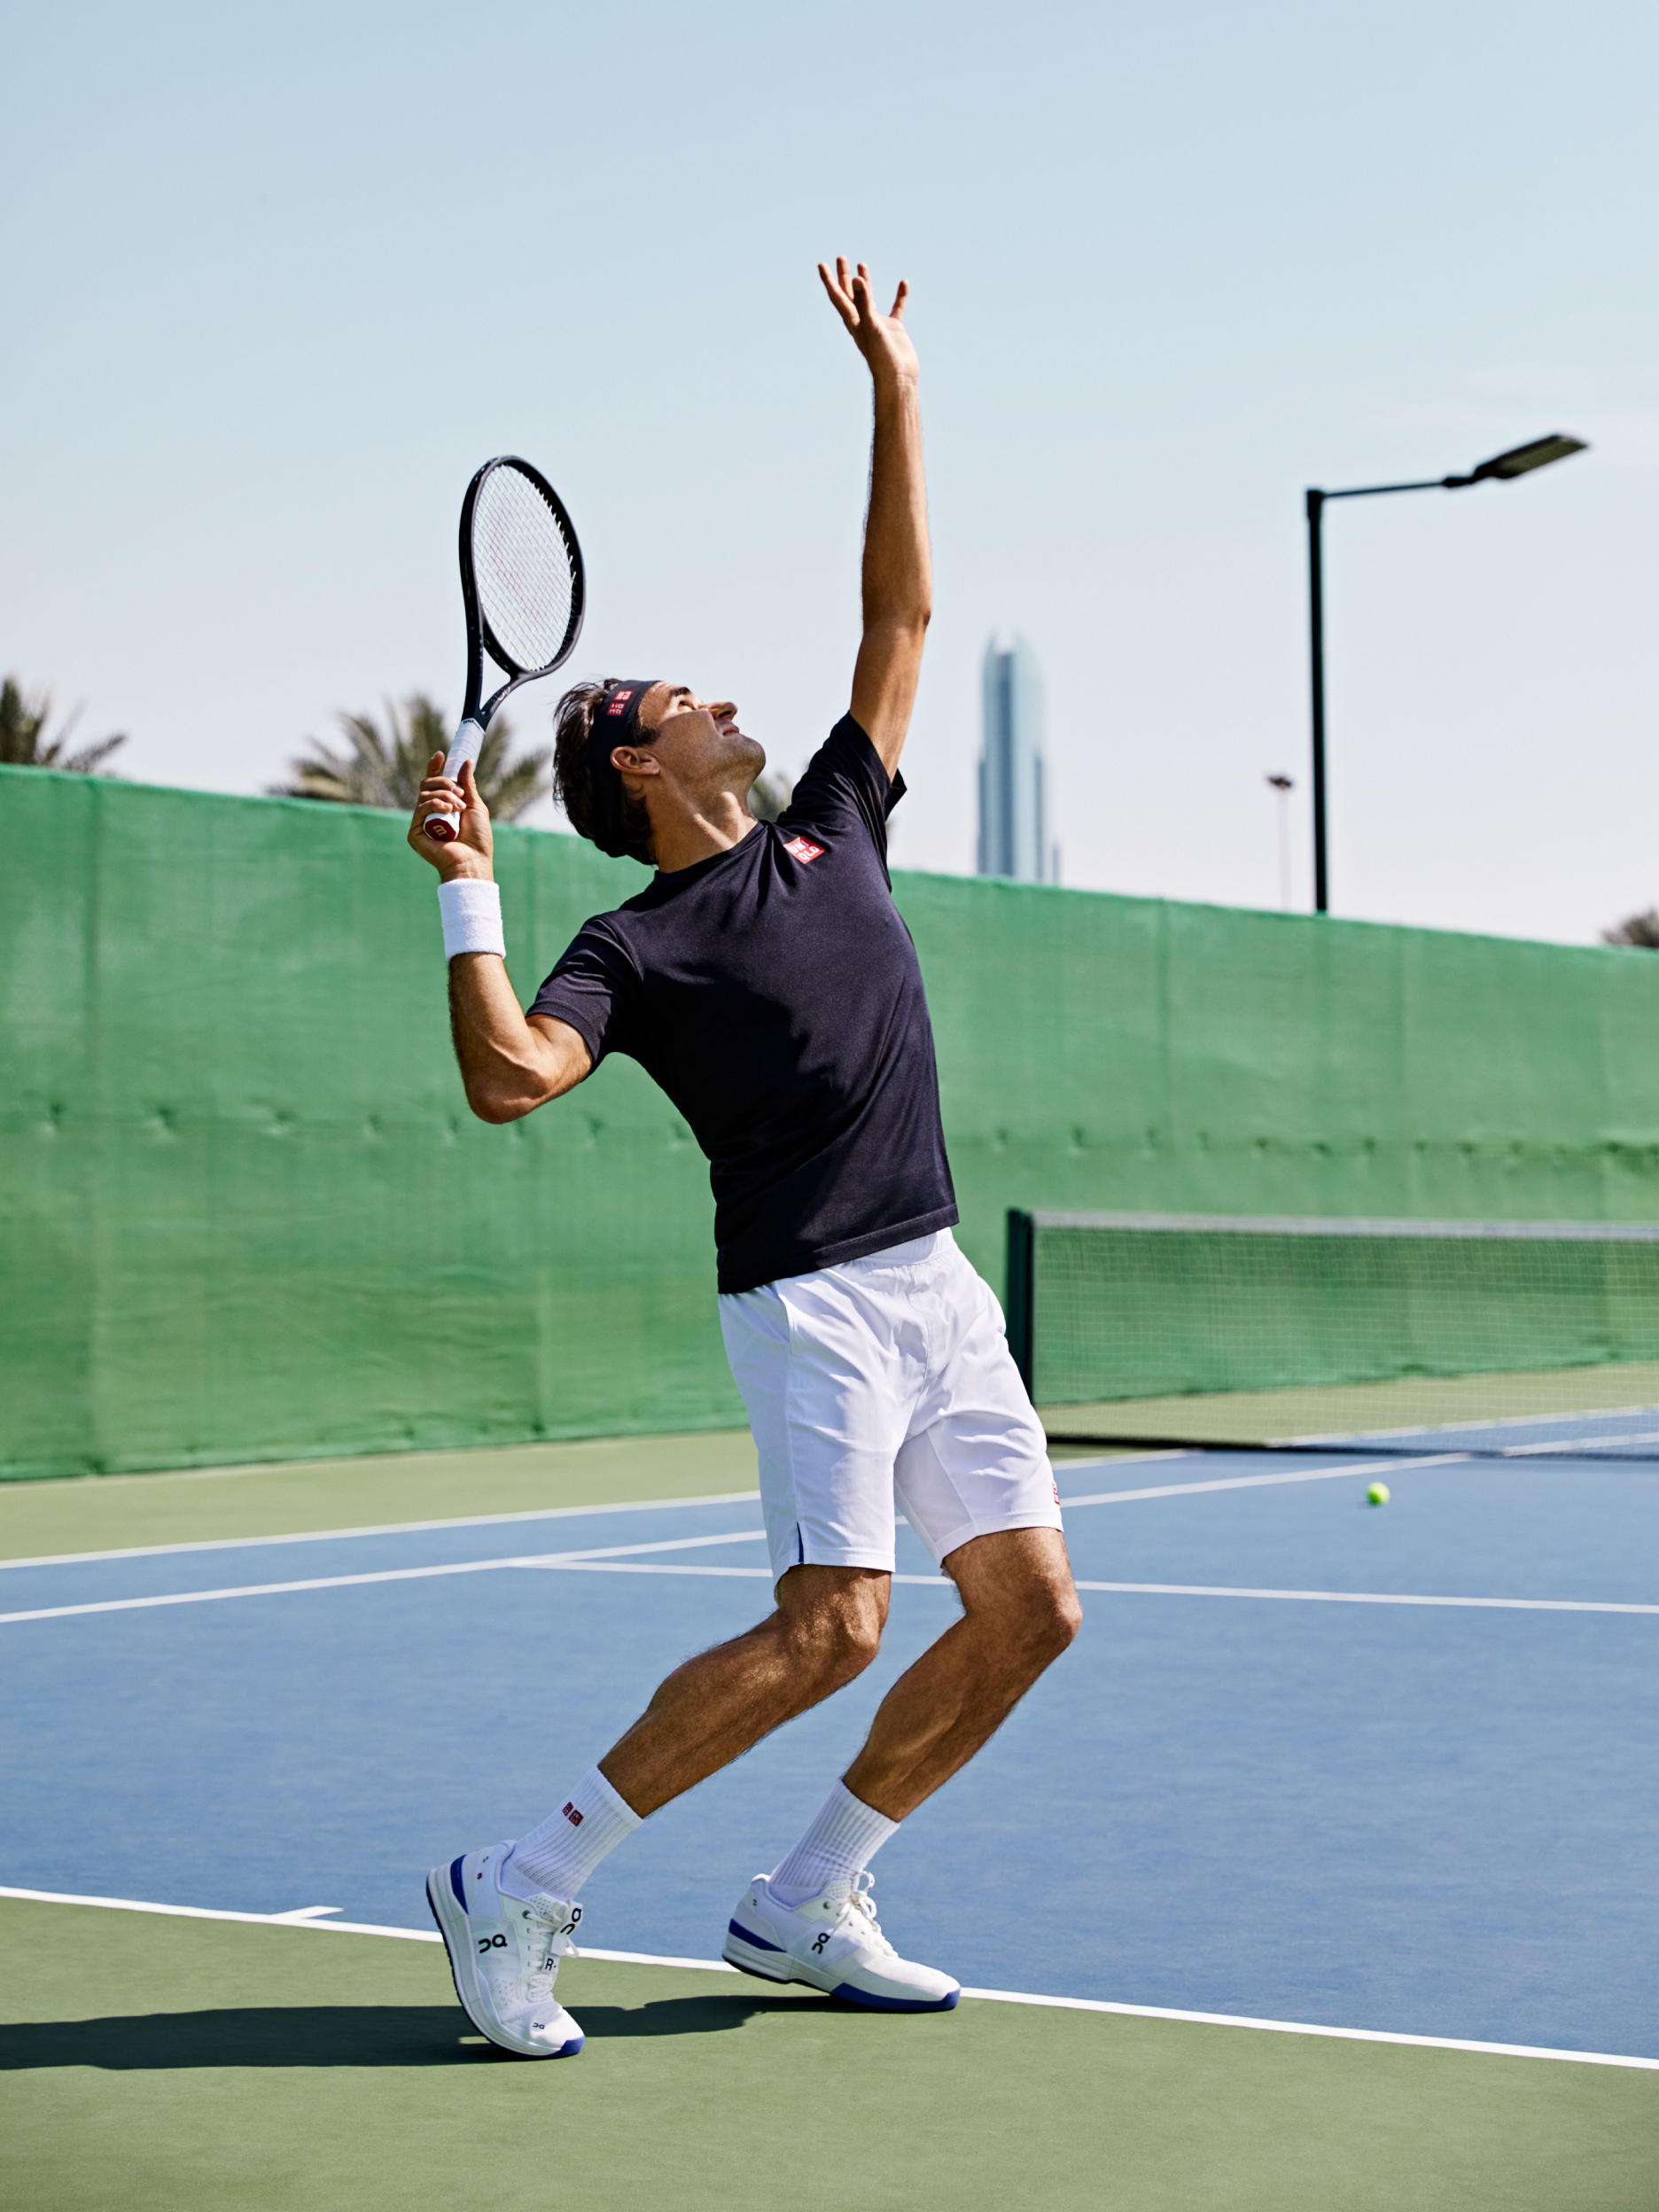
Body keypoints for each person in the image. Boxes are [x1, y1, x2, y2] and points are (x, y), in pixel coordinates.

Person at [407, 259, 1081, 2059]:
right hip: (813, 1306)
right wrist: (469, 891)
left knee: (1029, 1613)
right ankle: (519, 1884)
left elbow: (903, 613)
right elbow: (511, 1082)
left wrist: (899, 386)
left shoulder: (836, 822)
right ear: (641, 762)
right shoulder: (633, 946)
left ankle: (805, 1902)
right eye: (685, 693)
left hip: (934, 1281)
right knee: (835, 1629)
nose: (725, 696)